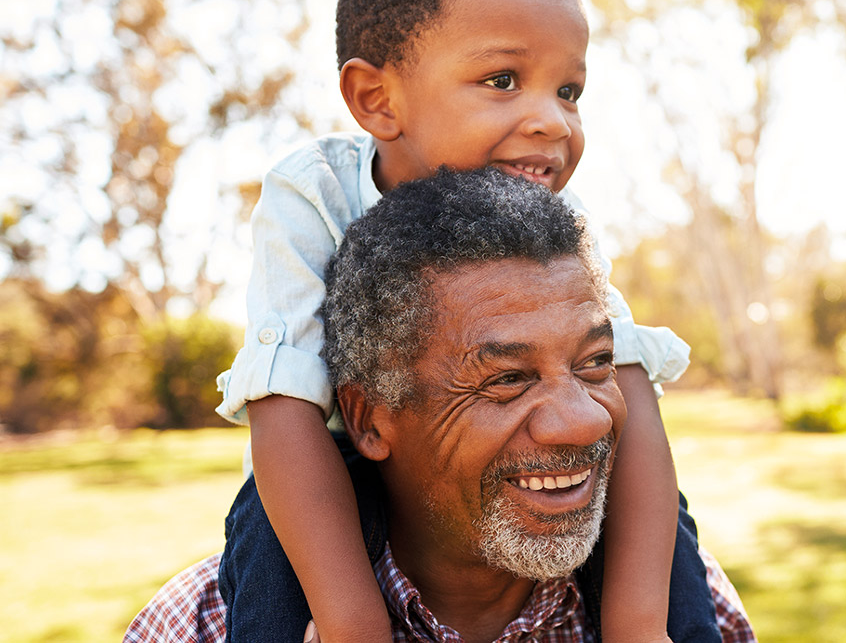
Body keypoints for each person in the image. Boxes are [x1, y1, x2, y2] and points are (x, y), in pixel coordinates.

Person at [213, 0, 717, 641]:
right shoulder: (315, 192)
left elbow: (627, 386)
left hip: (517, 483)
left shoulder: (556, 226)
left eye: (569, 90)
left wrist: (640, 623)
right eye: (503, 80)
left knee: (662, 525)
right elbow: (284, 404)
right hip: (332, 474)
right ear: (377, 98)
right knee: (267, 532)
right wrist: (351, 621)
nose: (552, 119)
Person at [127, 170, 754, 643]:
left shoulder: (688, 605)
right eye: (507, 378)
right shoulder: (199, 624)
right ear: (370, 418)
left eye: (594, 364)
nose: (586, 420)